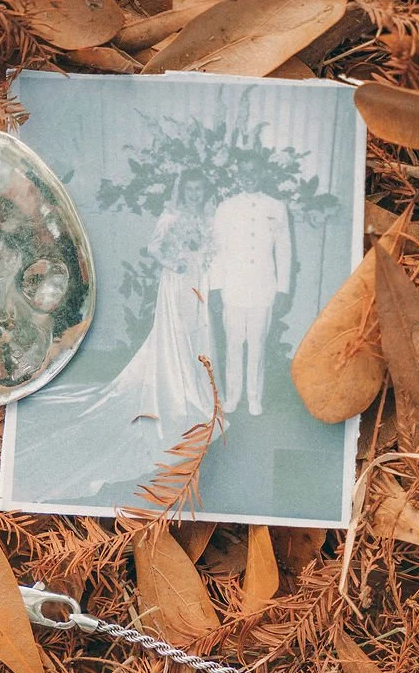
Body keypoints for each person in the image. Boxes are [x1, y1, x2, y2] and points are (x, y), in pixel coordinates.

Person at [18, 172, 216, 496]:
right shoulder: (171, 216)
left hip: (197, 280)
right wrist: (174, 261)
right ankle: (176, 385)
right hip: (177, 281)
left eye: (199, 189)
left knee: (196, 330)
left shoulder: (206, 218)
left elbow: (212, 250)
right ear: (183, 191)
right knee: (176, 331)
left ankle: (194, 383)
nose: (194, 194)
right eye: (190, 189)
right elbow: (154, 247)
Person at [207, 184, 291, 416]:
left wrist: (283, 289)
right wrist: (215, 287)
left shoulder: (276, 207)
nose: (249, 177)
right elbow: (217, 251)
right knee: (233, 344)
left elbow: (284, 250)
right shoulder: (226, 207)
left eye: (253, 171)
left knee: (257, 344)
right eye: (245, 171)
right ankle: (233, 396)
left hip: (263, 288)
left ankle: (254, 397)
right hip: (233, 287)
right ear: (240, 173)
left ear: (260, 173)